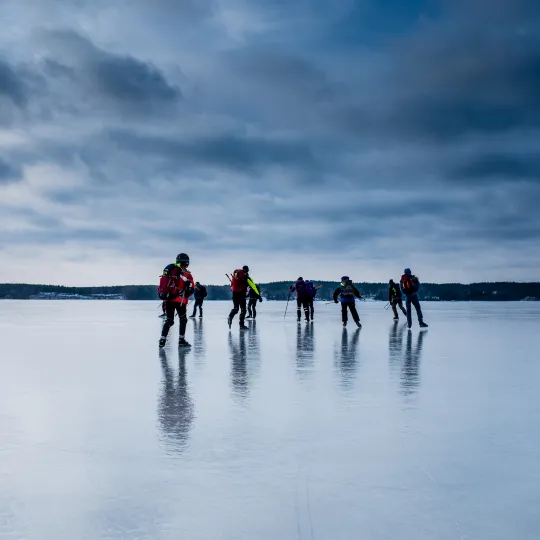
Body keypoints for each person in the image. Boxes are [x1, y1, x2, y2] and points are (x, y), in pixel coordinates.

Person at [157, 253, 195, 348]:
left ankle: (162, 339)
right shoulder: (186, 273)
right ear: (186, 262)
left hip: (168, 299)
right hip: (180, 300)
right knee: (183, 319)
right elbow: (191, 288)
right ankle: (181, 340)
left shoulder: (170, 272)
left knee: (169, 320)